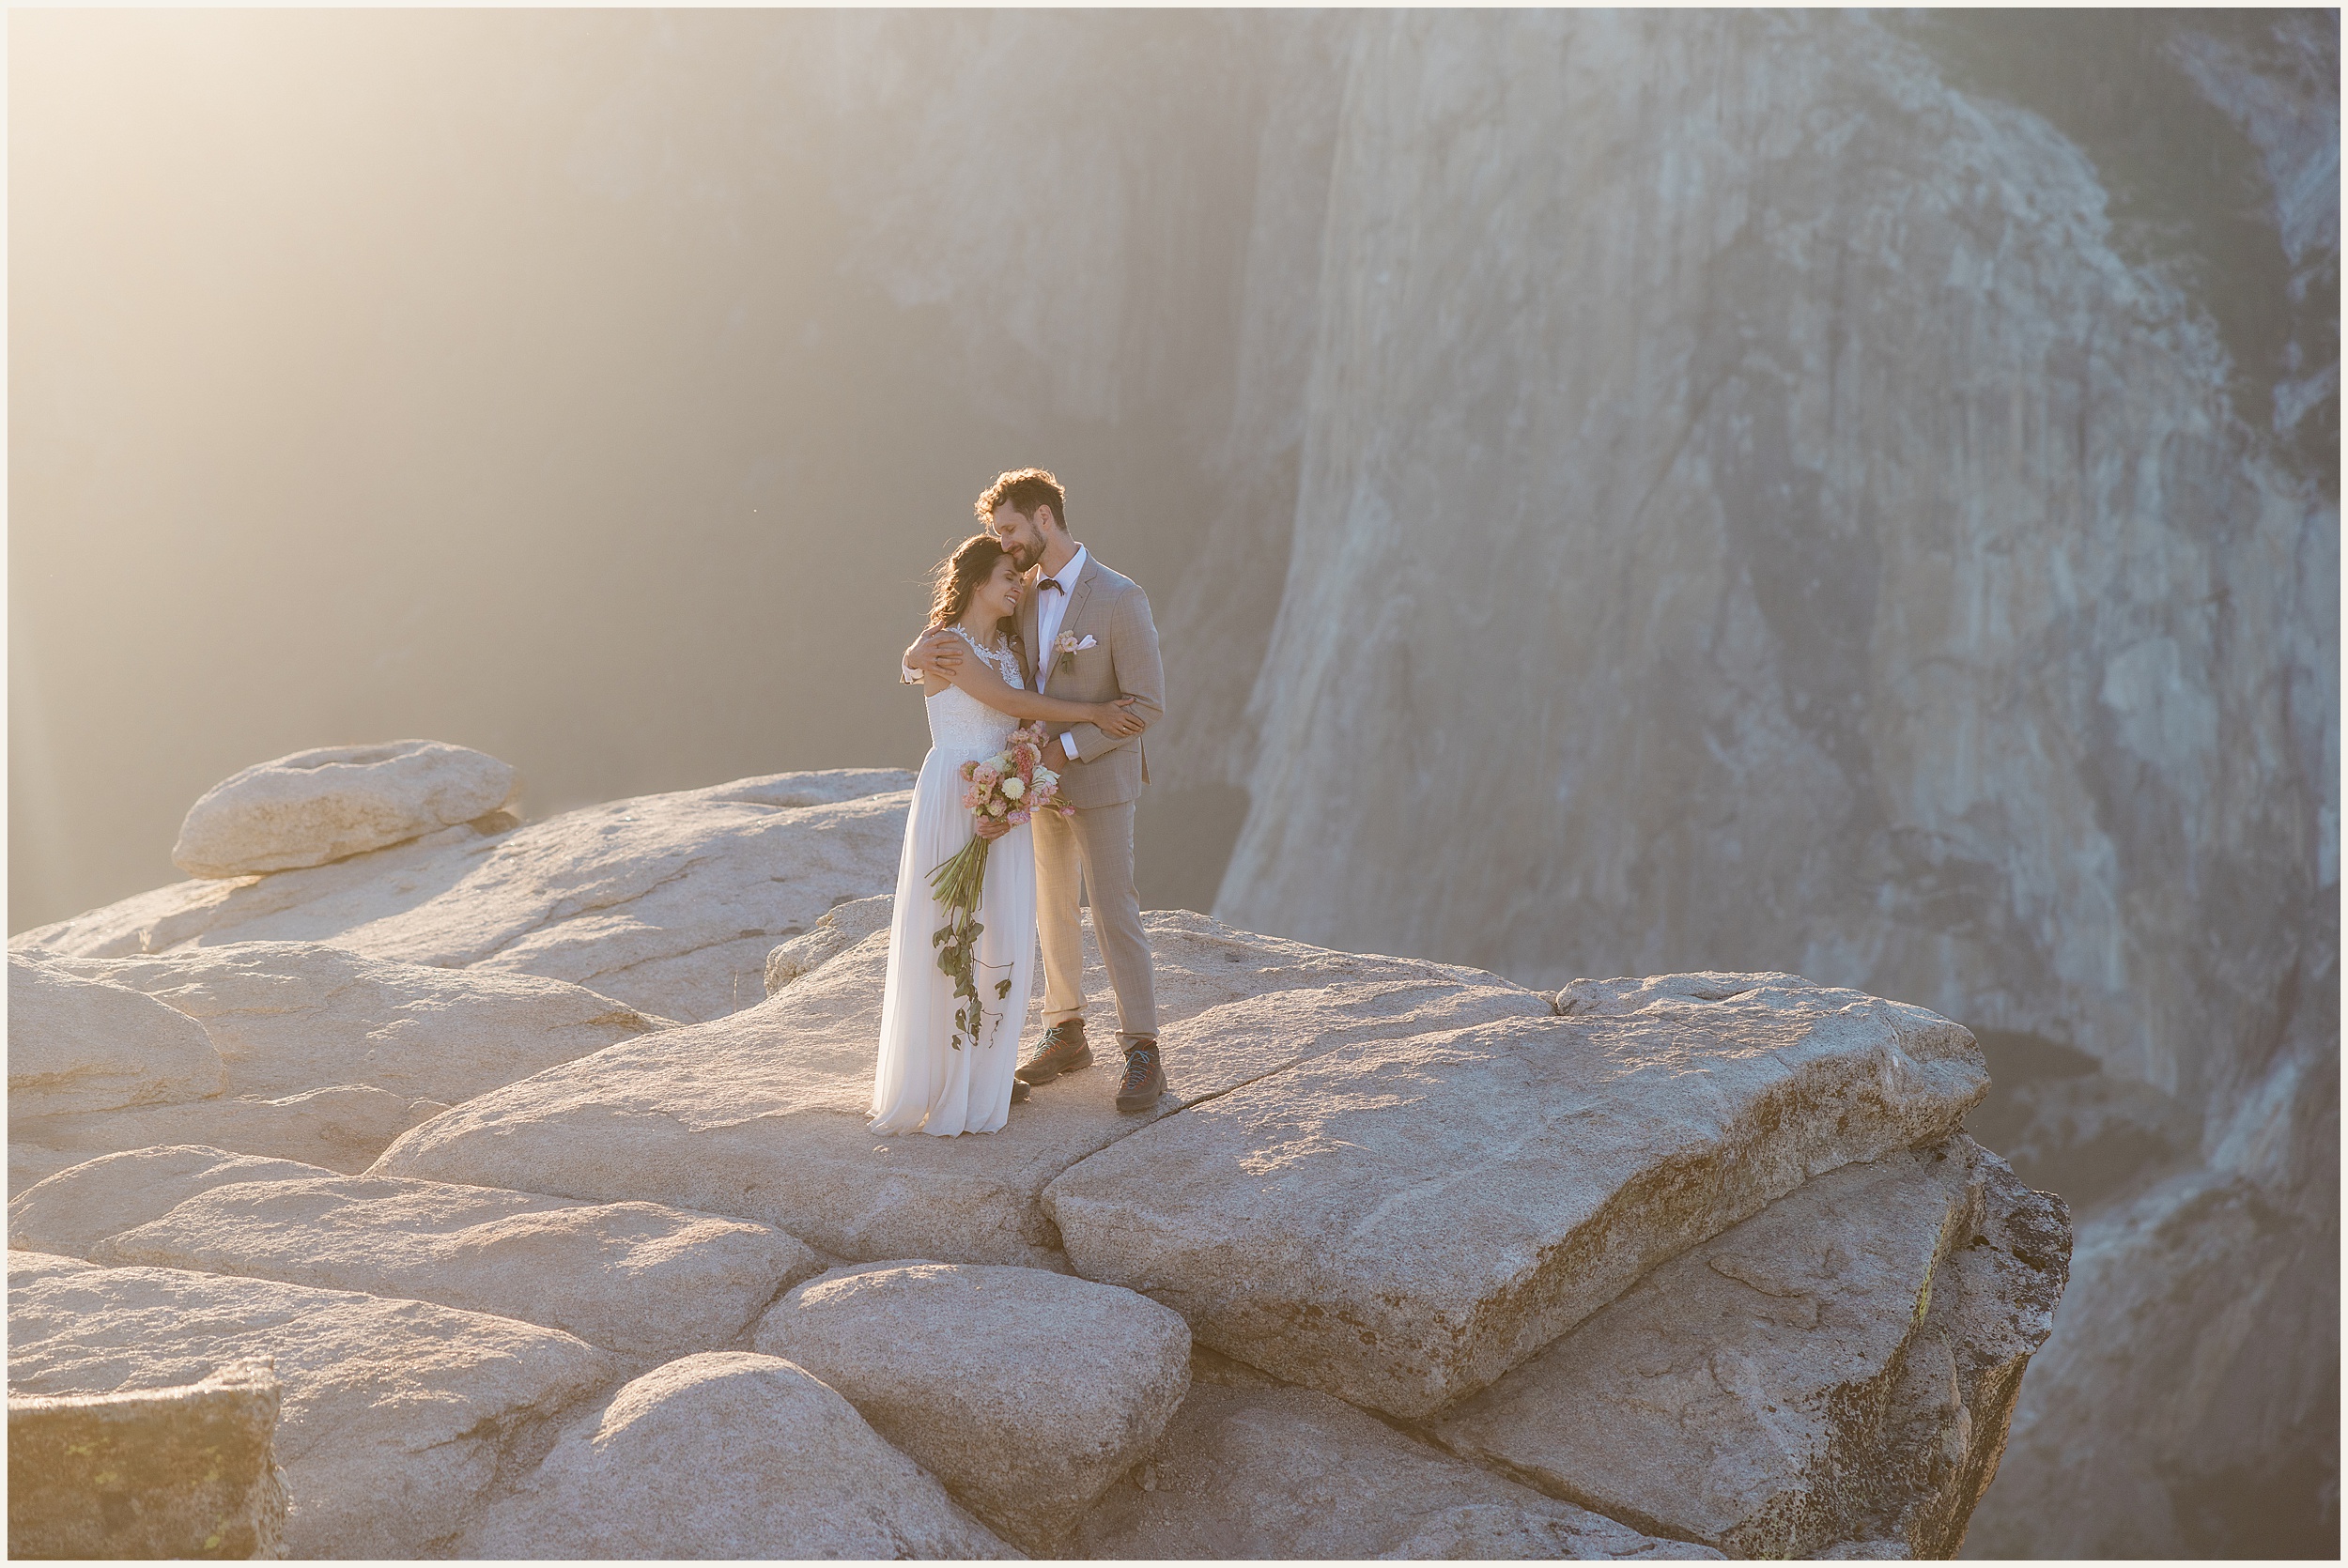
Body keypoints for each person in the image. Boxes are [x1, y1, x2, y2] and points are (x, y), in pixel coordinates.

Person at [904, 469, 1168, 1113]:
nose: (1007, 543)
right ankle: (1065, 1029)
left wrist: (1066, 747)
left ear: (1045, 518)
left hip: (1093, 774)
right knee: (1049, 908)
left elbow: (1148, 704)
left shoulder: (1119, 598)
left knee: (1112, 907)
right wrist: (914, 657)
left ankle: (1142, 1046)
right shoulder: (1016, 595)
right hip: (1030, 782)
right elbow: (970, 648)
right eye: (1000, 534)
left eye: (1012, 529)